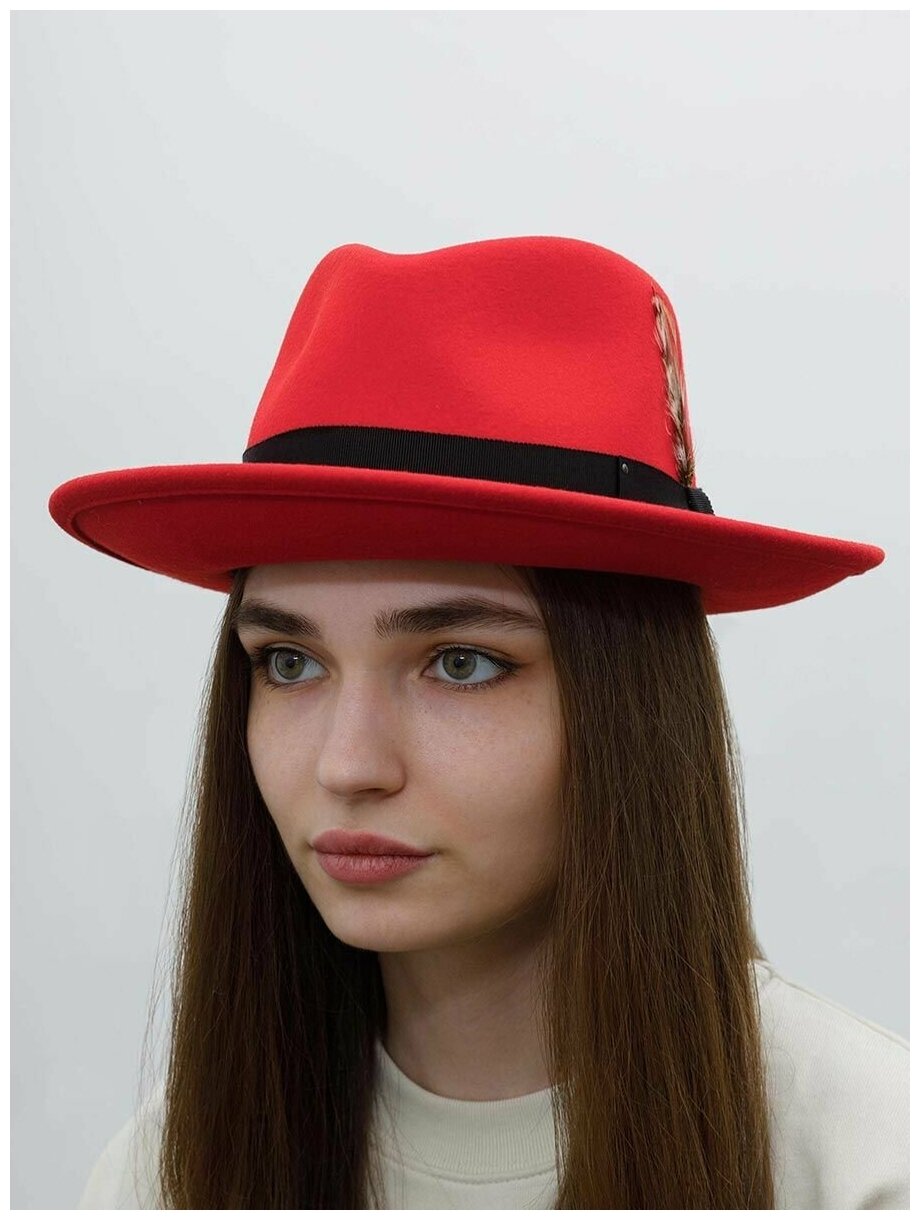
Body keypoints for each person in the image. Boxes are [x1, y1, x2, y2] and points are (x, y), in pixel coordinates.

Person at [49, 235, 907, 1209]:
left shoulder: (866, 1167)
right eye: (289, 662)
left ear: (632, 703)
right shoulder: (163, 1176)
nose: (347, 764)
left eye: (460, 663)